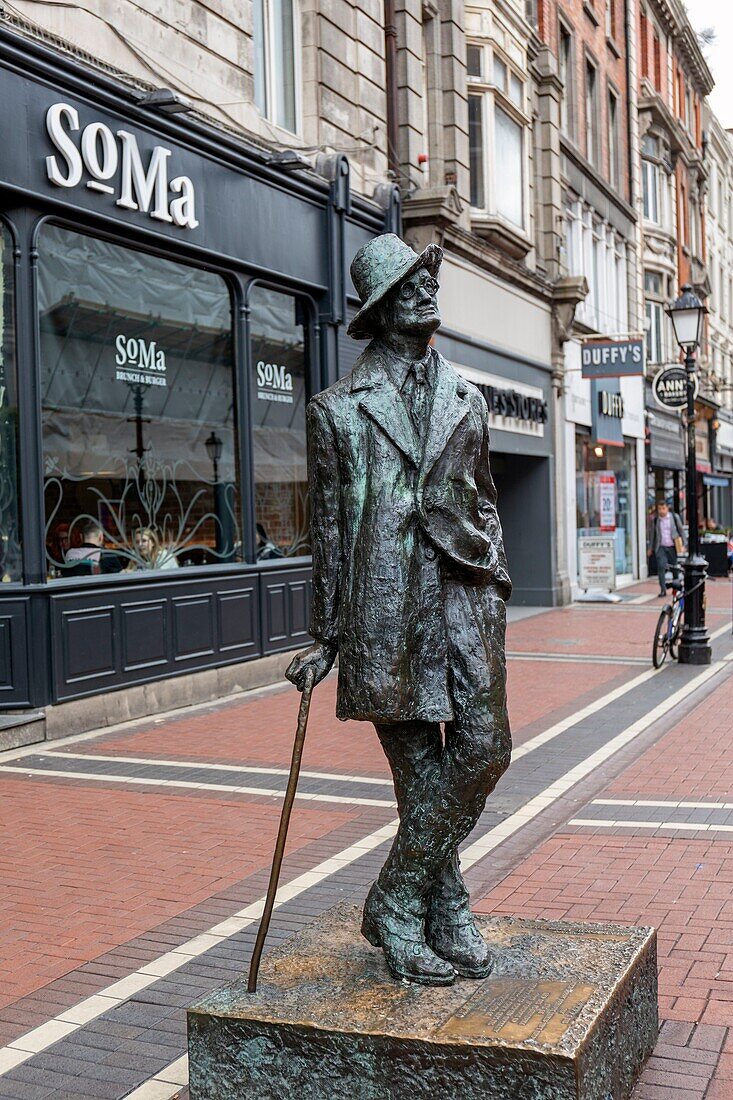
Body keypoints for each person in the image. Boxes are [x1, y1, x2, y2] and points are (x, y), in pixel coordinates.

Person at [286, 234, 511, 987]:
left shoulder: (467, 397)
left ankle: (393, 899)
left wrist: (495, 574)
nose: (424, 291)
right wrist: (325, 633)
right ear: (378, 312)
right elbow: (325, 527)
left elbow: (483, 496)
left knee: (485, 747)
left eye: (426, 279)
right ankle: (442, 909)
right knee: (419, 774)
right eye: (406, 287)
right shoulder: (336, 411)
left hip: (464, 594)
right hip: (386, 604)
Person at [650, 500, 684, 596]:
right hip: (661, 547)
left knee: (674, 568)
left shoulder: (674, 517)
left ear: (667, 508)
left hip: (672, 546)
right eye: (659, 509)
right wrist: (650, 548)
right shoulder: (656, 520)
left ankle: (676, 587)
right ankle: (663, 589)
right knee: (661, 567)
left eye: (663, 508)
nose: (661, 511)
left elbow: (681, 530)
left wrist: (684, 544)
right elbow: (652, 535)